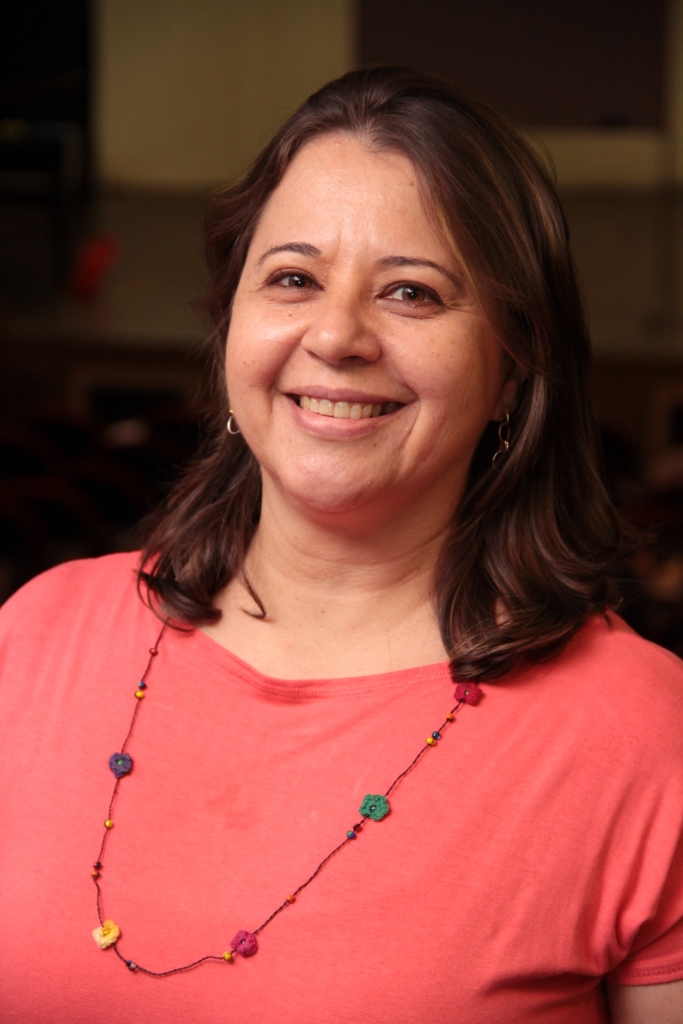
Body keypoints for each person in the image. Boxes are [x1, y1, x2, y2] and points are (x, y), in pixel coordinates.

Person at [1, 66, 682, 1024]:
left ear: (513, 367)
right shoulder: (34, 636)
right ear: (230, 326)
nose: (336, 335)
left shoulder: (644, 734)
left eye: (410, 292)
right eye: (293, 279)